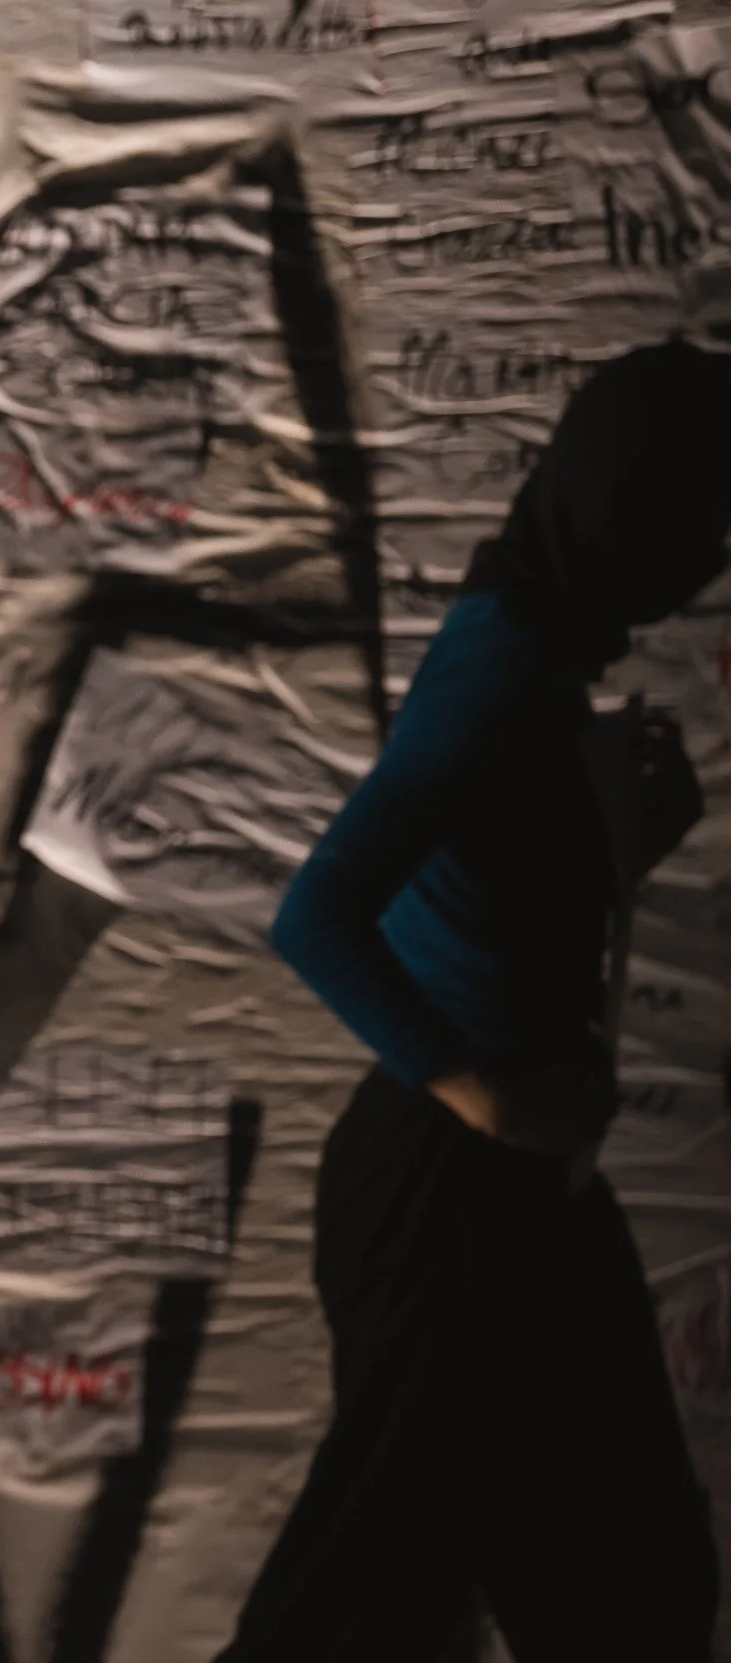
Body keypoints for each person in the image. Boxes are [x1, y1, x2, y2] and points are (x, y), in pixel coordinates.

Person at [218, 340, 731, 1661]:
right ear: (637, 519)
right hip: (446, 1205)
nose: (711, 560)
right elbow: (319, 913)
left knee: (639, 1588)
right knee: (353, 1604)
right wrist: (483, 1092)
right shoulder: (503, 666)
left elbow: (498, 909)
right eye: (701, 524)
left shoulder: (538, 651)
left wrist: (619, 840)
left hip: (523, 1207)